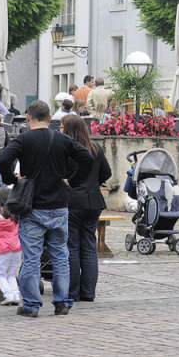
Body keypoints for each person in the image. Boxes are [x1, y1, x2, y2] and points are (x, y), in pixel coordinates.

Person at [0, 100, 94, 317]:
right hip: (59, 205)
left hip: (33, 206)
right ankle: (62, 302)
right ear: (50, 118)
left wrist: (11, 178)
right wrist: (72, 180)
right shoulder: (62, 139)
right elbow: (87, 159)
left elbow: (3, 159)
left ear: (28, 117)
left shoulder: (22, 139)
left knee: (32, 257)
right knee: (60, 255)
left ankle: (31, 305)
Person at [60, 114, 111, 303]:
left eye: (63, 127)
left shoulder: (68, 149)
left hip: (73, 201)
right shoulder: (95, 148)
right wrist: (91, 183)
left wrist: (70, 183)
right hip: (93, 201)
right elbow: (107, 172)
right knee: (89, 246)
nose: (60, 130)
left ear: (70, 129)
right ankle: (88, 292)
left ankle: (73, 292)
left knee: (72, 247)